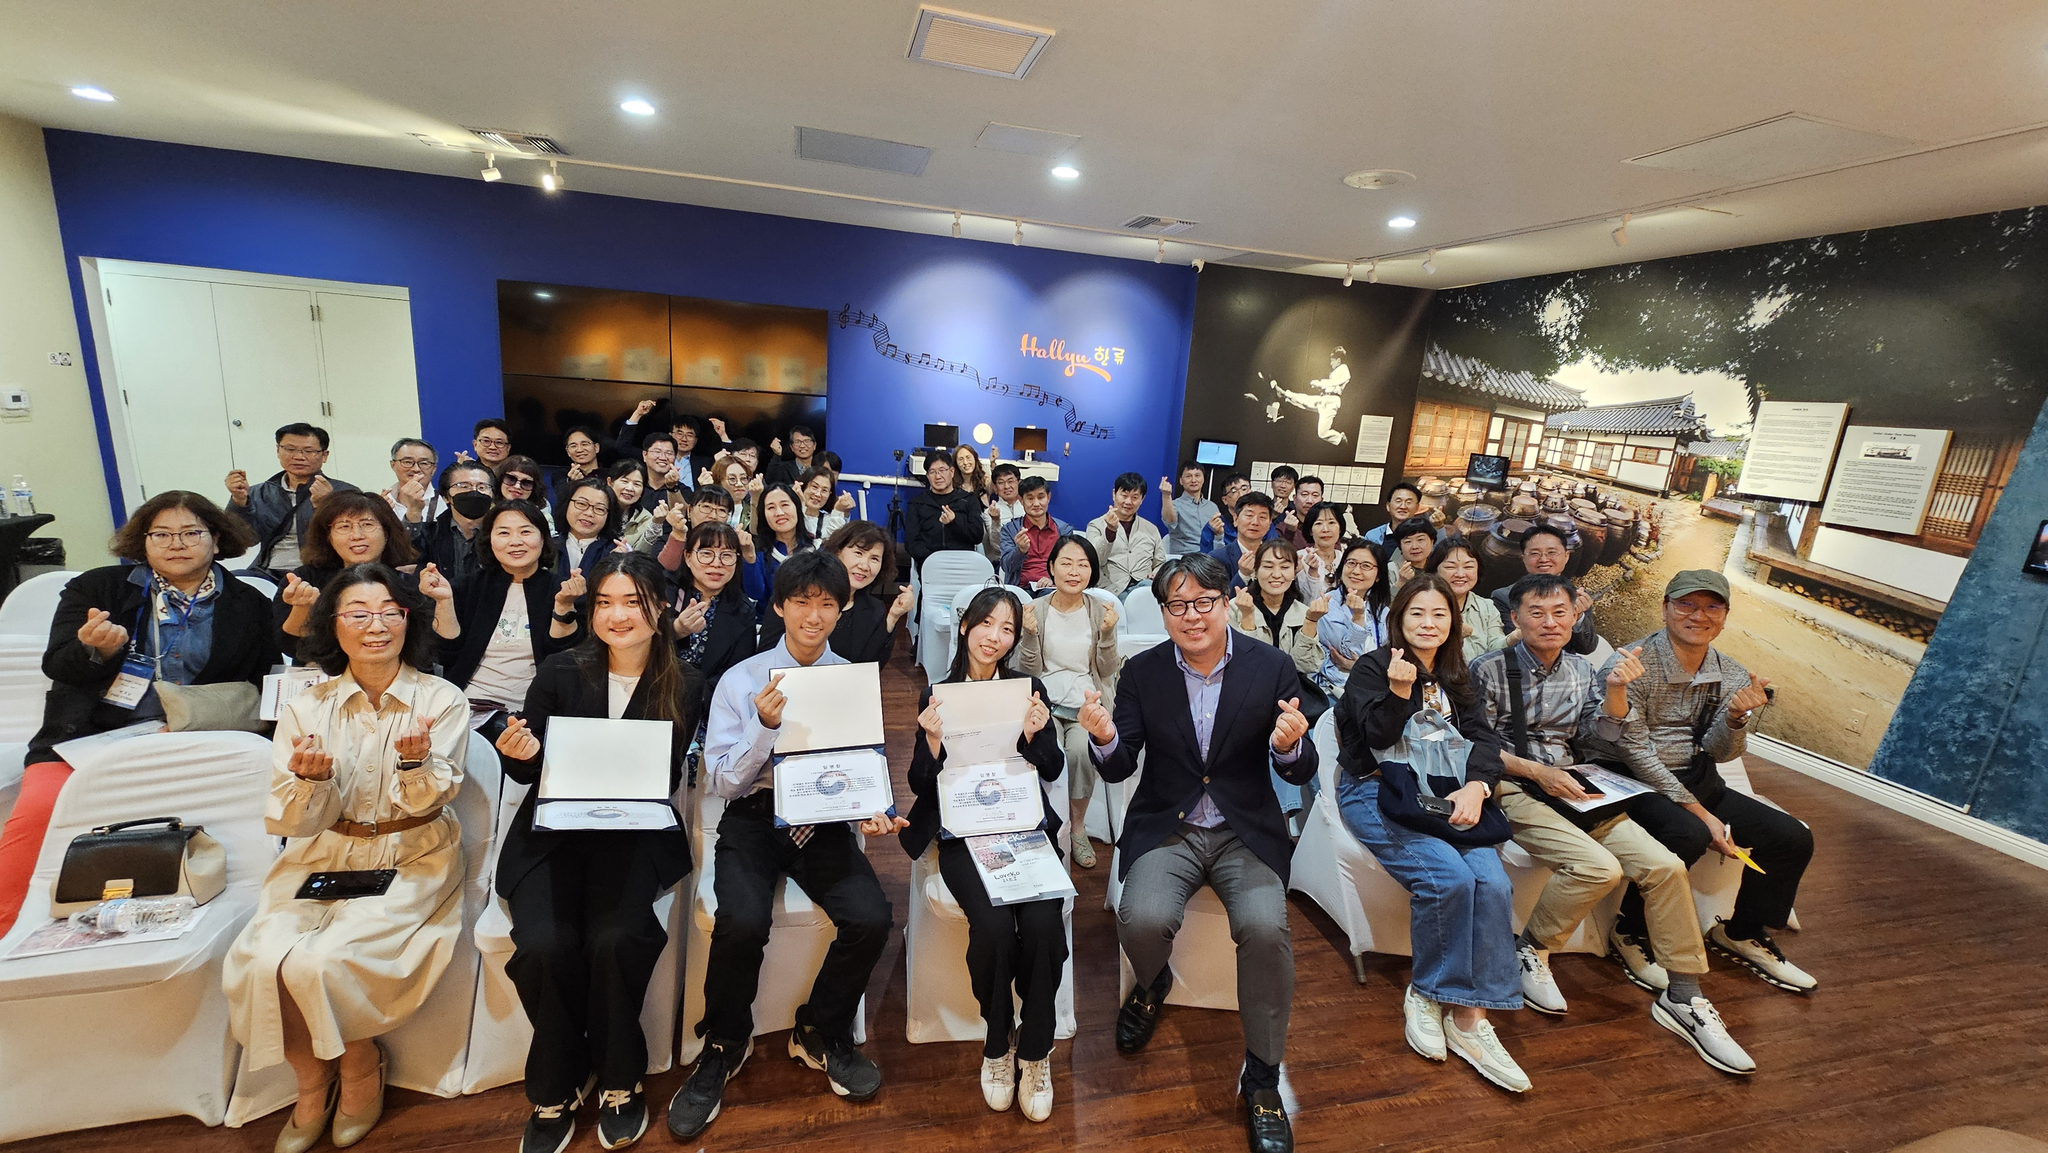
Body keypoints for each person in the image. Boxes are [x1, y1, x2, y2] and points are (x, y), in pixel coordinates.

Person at [222, 564, 468, 1152]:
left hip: (412, 852)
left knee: (322, 959)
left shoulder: (440, 699)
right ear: (334, 626)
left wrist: (413, 765)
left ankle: (359, 1067)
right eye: (358, 614)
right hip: (324, 852)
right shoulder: (310, 705)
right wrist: (311, 783)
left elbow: (433, 797)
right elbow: (294, 819)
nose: (376, 626)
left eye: (389, 613)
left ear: (409, 620)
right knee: (259, 958)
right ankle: (312, 1081)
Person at [1470, 574, 1756, 1075]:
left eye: (1560, 612)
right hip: (1512, 781)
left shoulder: (1584, 669)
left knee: (1667, 866)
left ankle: (1685, 996)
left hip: (1578, 778)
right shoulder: (1489, 669)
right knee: (1599, 869)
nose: (1550, 622)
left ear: (1575, 617)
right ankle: (1531, 951)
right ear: (1514, 619)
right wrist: (1539, 771)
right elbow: (1474, 744)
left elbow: (1600, 734)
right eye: (1536, 613)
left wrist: (1618, 691)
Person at [1077, 554, 1315, 1153]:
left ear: (1227, 600)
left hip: (1244, 829)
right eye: (1177, 605)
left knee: (1265, 928)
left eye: (1204, 601)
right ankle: (1152, 984)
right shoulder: (1143, 672)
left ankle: (1261, 1080)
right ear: (1162, 612)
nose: (1192, 615)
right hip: (1170, 823)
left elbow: (1302, 763)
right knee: (1144, 916)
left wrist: (1288, 749)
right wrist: (1105, 738)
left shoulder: (1270, 666)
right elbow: (1123, 762)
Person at [667, 551, 908, 1139]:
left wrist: (879, 811)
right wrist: (763, 728)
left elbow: (866, 765)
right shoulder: (742, 679)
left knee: (873, 917)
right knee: (742, 921)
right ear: (779, 607)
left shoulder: (850, 678)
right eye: (801, 601)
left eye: (827, 602)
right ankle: (724, 1042)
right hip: (753, 815)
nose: (814, 615)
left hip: (823, 819)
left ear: (842, 606)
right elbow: (721, 781)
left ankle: (819, 1030)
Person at [494, 553, 703, 1152]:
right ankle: (555, 1081)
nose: (618, 616)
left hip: (633, 831)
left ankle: (620, 1075)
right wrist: (521, 750)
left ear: (659, 609)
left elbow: (664, 772)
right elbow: (525, 765)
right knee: (543, 943)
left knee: (616, 938)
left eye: (633, 602)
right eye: (606, 603)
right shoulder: (560, 672)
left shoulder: (684, 681)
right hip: (552, 834)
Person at [0, 492, 276, 937]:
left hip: (193, 736)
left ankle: (236, 929)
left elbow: (263, 685)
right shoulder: (98, 588)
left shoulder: (249, 602)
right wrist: (96, 648)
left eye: (191, 533)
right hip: (88, 738)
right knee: (37, 815)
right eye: (161, 534)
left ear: (217, 539)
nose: (176, 544)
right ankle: (7, 934)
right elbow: (58, 664)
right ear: (142, 542)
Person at [1332, 574, 1525, 1093]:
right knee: (1449, 880)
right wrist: (1398, 691)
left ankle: (1472, 1022)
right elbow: (1373, 738)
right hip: (1376, 792)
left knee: (1494, 883)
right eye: (1417, 613)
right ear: (1399, 618)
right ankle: (1429, 991)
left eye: (1439, 614)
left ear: (1453, 622)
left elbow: (1484, 739)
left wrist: (1479, 788)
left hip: (1446, 797)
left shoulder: (1460, 675)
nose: (1428, 624)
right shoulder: (1374, 667)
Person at [1583, 570, 1817, 994]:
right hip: (1628, 777)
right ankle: (1630, 929)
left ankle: (1741, 931)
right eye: (1686, 604)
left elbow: (1722, 752)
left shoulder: (1729, 672)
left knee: (1791, 837)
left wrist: (1735, 719)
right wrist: (1700, 812)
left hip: (1692, 776)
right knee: (1687, 833)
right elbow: (1633, 750)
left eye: (1712, 606)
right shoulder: (1633, 663)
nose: (1699, 615)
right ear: (1666, 608)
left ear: (1725, 616)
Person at [904, 587, 1067, 1122]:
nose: (995, 638)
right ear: (967, 625)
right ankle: (998, 1044)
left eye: (1007, 630)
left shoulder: (1028, 689)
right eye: (987, 625)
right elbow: (920, 784)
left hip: (1022, 827)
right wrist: (930, 743)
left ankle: (1036, 1050)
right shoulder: (940, 692)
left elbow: (1052, 768)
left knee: (1044, 926)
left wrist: (1033, 734)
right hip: (964, 832)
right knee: (995, 930)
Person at [1015, 535, 1120, 870]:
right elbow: (1026, 670)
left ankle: (1077, 828)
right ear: (1051, 568)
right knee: (1045, 753)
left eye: (1083, 564)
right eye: (1066, 563)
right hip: (1043, 704)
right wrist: (1029, 634)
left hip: (1084, 705)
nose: (1074, 571)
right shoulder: (1036, 610)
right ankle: (1041, 824)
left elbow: (1107, 669)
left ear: (1092, 571)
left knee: (1081, 753)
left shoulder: (1100, 610)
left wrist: (1107, 634)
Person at [442, 501, 584, 719]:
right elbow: (446, 652)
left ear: (543, 538)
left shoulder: (562, 589)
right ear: (489, 540)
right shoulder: (466, 587)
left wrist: (564, 605)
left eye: (526, 532)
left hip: (533, 708)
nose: (515, 542)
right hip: (468, 704)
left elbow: (563, 660)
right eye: (504, 533)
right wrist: (443, 601)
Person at [272, 491, 442, 661]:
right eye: (344, 527)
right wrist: (302, 609)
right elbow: (291, 647)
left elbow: (428, 649)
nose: (357, 536)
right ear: (328, 536)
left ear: (387, 532)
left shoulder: (407, 583)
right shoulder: (303, 580)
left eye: (367, 525)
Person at [756, 520, 915, 664]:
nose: (864, 566)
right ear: (838, 551)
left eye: (874, 559)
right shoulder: (795, 598)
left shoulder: (874, 609)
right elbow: (767, 655)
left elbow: (871, 667)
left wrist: (893, 617)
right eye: (858, 553)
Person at [226, 422, 362, 577]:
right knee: (236, 582)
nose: (299, 457)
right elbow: (245, 540)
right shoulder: (259, 492)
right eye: (290, 449)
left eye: (309, 451)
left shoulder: (344, 492)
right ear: (278, 450)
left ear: (324, 455)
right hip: (268, 571)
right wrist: (239, 501)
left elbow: (352, 538)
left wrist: (326, 504)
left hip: (322, 571)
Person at [668, 521, 757, 695]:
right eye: (706, 553)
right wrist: (676, 630)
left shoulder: (743, 609)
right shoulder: (665, 592)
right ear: (687, 557)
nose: (717, 563)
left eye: (726, 555)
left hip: (711, 702)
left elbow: (738, 671)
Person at [1495, 523, 1598, 656]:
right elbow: (1507, 647)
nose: (1544, 559)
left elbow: (1587, 648)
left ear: (1566, 556)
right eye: (1535, 553)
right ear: (1523, 558)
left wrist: (1578, 617)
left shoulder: (1577, 595)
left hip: (1566, 671)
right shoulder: (1504, 597)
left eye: (1552, 552)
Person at [1231, 541, 1322, 678]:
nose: (1277, 574)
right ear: (1255, 572)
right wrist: (1247, 616)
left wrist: (1311, 621)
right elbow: (1243, 664)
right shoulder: (1235, 608)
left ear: (1294, 573)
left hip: (1291, 689)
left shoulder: (1304, 612)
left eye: (1285, 567)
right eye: (1268, 567)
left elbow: (1305, 667)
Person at [1311, 541, 1391, 695]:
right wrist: (1358, 617)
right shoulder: (1327, 603)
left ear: (1378, 576)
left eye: (1366, 566)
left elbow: (1387, 657)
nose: (1356, 571)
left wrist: (1359, 667)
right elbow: (1347, 653)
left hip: (1375, 687)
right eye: (1351, 563)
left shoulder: (1382, 610)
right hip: (1335, 690)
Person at [414, 462, 497, 590]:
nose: (474, 492)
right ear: (446, 497)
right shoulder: (429, 534)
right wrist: (413, 512)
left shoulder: (502, 536)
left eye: (482, 487)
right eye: (463, 486)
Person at [1424, 533, 1507, 662]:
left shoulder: (1487, 607)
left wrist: (1516, 636)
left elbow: (1495, 647)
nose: (1461, 574)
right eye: (1451, 567)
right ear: (1435, 570)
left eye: (1468, 567)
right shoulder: (1423, 605)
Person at [740, 482, 814, 620]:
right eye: (771, 507)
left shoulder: (816, 550)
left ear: (797, 508)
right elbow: (755, 594)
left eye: (785, 505)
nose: (779, 513)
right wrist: (749, 558)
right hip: (769, 628)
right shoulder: (758, 554)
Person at [1085, 472, 1166, 597]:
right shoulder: (1096, 525)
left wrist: (1156, 573)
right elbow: (1095, 561)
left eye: (1134, 497)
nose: (1128, 502)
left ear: (1142, 500)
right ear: (1114, 494)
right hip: (1113, 590)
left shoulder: (1151, 529)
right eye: (1124, 495)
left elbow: (1160, 563)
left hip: (1145, 588)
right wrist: (1110, 531)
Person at [905, 451, 985, 566]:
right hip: (930, 564)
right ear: (927, 476)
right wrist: (933, 560)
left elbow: (977, 536)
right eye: (932, 472)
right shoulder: (917, 503)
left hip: (964, 564)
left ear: (952, 472)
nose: (938, 476)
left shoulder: (969, 500)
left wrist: (954, 521)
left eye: (942, 471)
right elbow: (911, 543)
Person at [999, 476, 1072, 593]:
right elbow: (1007, 567)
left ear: (1048, 497)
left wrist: (1052, 579)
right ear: (1021, 501)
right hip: (1020, 589)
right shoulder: (1010, 529)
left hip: (1053, 588)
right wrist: (1020, 550)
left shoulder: (1063, 530)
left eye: (1041, 497)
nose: (1036, 503)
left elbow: (1070, 564)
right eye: (1030, 498)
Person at [553, 477, 622, 581]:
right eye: (581, 504)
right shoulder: (547, 546)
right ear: (566, 504)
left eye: (599, 509)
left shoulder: (615, 551)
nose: (589, 513)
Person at [1208, 491, 1276, 590]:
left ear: (1269, 523)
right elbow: (1218, 600)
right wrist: (1243, 575)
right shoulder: (1217, 558)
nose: (1255, 522)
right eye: (1249, 515)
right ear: (1236, 519)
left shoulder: (1275, 557)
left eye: (1262, 517)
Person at [1158, 461, 1215, 559]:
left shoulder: (1212, 507)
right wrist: (1166, 496)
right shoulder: (1174, 504)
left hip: (1208, 559)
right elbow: (1170, 520)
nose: (1193, 480)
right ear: (1181, 481)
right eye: (1188, 476)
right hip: (1183, 559)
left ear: (1203, 479)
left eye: (1197, 476)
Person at [1198, 473, 1265, 555]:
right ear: (1224, 500)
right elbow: (1206, 559)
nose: (1241, 494)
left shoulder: (1262, 521)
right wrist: (1218, 537)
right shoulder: (1215, 525)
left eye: (1244, 489)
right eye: (1234, 491)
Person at [383, 437, 443, 525]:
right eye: (407, 462)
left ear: (434, 469)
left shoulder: (444, 503)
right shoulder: (383, 502)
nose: (416, 469)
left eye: (424, 463)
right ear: (393, 465)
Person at [1294, 505, 1347, 600]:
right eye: (1318, 523)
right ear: (1310, 530)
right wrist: (1311, 573)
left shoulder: (1345, 558)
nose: (1325, 529)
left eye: (1331, 522)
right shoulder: (1299, 558)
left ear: (1340, 528)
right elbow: (1305, 601)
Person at [496, 455, 557, 534]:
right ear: (500, 479)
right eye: (511, 479)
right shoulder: (485, 512)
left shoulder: (544, 518)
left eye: (526, 483)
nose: (517, 486)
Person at [982, 463, 1025, 562]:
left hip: (1028, 560)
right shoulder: (989, 512)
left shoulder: (1028, 507)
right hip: (1002, 562)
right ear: (995, 488)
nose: (1007, 486)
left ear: (1019, 483)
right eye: (1001, 482)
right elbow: (997, 546)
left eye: (1010, 481)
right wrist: (996, 520)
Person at [797, 467, 851, 541]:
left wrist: (838, 512)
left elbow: (833, 544)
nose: (818, 494)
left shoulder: (831, 520)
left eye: (824, 490)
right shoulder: (789, 514)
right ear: (803, 487)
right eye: (814, 487)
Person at [1362, 483, 1422, 547]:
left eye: (1408, 502)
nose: (1403, 506)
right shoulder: (1373, 536)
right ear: (1388, 506)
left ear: (1417, 508)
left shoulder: (1424, 537)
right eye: (1398, 501)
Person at [639, 433, 689, 512]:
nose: (663, 457)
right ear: (644, 455)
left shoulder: (683, 490)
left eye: (669, 453)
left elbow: (683, 516)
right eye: (657, 452)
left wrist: (672, 487)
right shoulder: (635, 485)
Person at [1386, 517, 1436, 589]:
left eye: (1420, 540)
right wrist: (1400, 583)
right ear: (1400, 546)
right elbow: (1385, 600)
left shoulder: (1439, 568)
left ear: (1432, 542)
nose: (1414, 546)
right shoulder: (1390, 569)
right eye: (1408, 541)